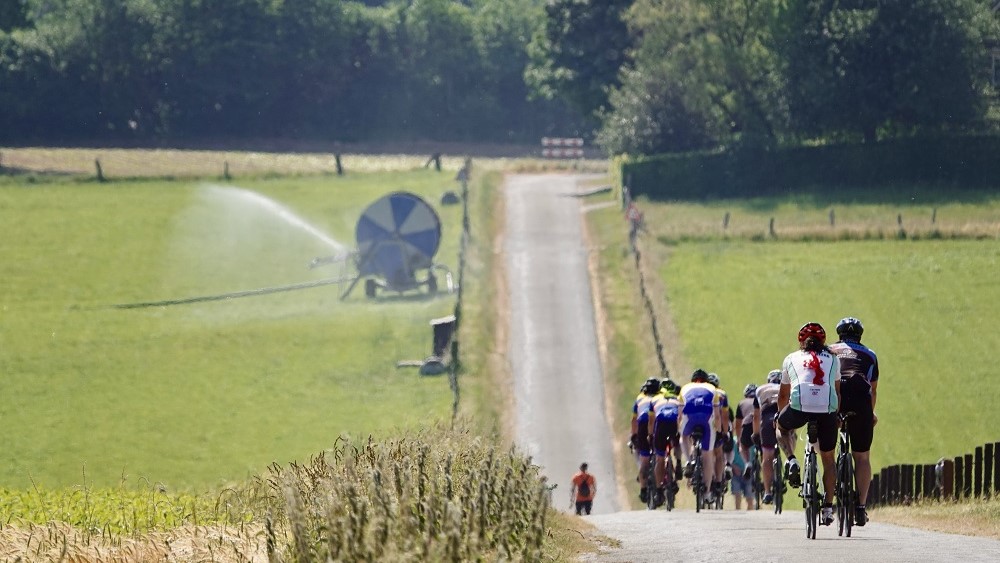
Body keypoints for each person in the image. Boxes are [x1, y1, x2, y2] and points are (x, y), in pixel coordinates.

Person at [777, 322, 841, 527]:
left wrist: (780, 415)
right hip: (827, 409)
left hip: (799, 407)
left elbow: (783, 395)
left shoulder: (790, 358)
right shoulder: (833, 358)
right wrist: (836, 415)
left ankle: (792, 460)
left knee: (780, 428)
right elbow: (837, 392)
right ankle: (828, 508)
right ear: (823, 341)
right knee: (829, 459)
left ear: (801, 341)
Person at [828, 316, 879, 526]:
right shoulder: (870, 355)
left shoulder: (829, 351)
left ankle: (828, 498)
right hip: (860, 403)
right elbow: (872, 390)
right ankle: (861, 507)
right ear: (860, 335)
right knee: (863, 457)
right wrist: (870, 414)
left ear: (839, 334)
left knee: (827, 452)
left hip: (835, 400)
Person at [678, 369, 721, 503]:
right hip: (706, 418)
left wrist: (679, 429)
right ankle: (707, 492)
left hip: (689, 416)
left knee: (683, 437)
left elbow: (679, 415)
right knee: (708, 456)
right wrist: (719, 430)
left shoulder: (685, 388)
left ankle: (688, 460)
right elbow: (717, 415)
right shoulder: (713, 389)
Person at [753, 369, 786, 504]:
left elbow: (756, 416)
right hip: (783, 417)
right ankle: (790, 461)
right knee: (791, 438)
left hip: (766, 420)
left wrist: (755, 434)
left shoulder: (761, 389)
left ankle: (767, 492)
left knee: (767, 456)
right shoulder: (787, 387)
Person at [651, 378, 683, 506]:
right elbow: (682, 417)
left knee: (659, 459)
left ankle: (659, 491)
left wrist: (650, 435)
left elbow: (651, 421)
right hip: (674, 422)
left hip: (661, 423)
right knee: (678, 443)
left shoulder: (655, 399)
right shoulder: (678, 399)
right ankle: (679, 463)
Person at [632, 377, 660, 503]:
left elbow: (633, 420)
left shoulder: (639, 399)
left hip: (642, 423)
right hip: (657, 422)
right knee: (660, 454)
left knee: (644, 459)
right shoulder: (659, 398)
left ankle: (643, 489)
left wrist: (634, 435)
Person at [706, 372, 733, 499]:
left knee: (704, 453)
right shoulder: (721, 394)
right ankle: (717, 481)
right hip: (716, 426)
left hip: (701, 424)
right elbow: (725, 416)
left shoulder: (703, 391)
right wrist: (725, 432)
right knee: (718, 454)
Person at [735, 383, 757, 479]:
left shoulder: (742, 403)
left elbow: (738, 424)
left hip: (747, 425)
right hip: (761, 425)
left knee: (743, 446)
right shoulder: (761, 400)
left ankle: (747, 463)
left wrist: (739, 440)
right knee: (766, 448)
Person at [730, 446, 755, 510]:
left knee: (749, 499)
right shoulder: (733, 443)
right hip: (736, 474)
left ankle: (750, 513)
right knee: (737, 497)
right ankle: (738, 512)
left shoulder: (752, 444)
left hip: (749, 474)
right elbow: (726, 458)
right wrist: (733, 466)